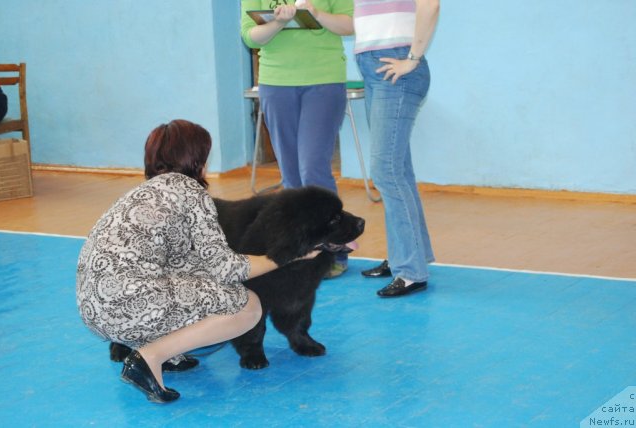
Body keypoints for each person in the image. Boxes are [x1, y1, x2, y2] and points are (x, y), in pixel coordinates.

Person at [76, 119, 318, 403]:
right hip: (131, 307)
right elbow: (228, 269)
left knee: (194, 287)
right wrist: (288, 256)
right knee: (247, 305)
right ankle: (149, 358)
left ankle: (164, 352)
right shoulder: (192, 194)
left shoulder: (140, 193)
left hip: (94, 310)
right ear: (196, 158)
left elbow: (182, 265)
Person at [240, 0, 354, 278]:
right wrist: (278, 22)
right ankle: (302, 249)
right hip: (276, 82)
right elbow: (249, 35)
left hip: (324, 80)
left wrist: (314, 13)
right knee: (290, 174)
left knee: (313, 167)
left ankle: (333, 250)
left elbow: (350, 24)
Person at [353, 0, 440, 297]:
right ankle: (407, 256)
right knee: (397, 171)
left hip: (396, 66)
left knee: (386, 171)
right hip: (373, 67)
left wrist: (413, 57)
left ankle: (411, 270)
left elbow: (430, 5)